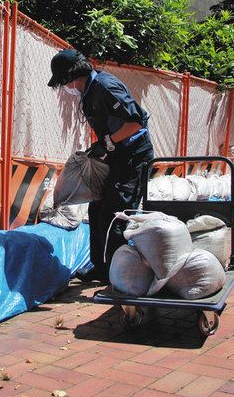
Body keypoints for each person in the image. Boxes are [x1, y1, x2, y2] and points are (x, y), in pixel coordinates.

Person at [48, 48, 154, 282]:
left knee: (116, 212)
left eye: (64, 81)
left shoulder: (105, 86)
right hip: (117, 154)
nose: (66, 87)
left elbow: (135, 122)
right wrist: (103, 149)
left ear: (72, 76)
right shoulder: (89, 91)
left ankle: (119, 274)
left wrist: (106, 143)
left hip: (135, 156)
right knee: (96, 208)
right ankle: (101, 268)